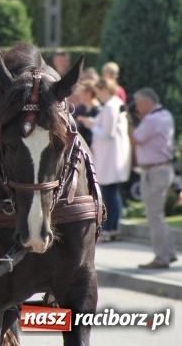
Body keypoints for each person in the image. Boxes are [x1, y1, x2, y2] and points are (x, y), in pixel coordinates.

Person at [77, 78, 131, 243]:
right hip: (111, 156)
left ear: (105, 89)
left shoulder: (110, 107)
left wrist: (91, 125)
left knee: (109, 194)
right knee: (113, 194)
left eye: (98, 91)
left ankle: (110, 229)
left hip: (110, 157)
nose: (97, 95)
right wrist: (93, 123)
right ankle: (113, 228)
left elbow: (108, 133)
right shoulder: (114, 104)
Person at [131, 87, 178, 269]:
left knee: (154, 216)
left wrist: (129, 122)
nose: (136, 107)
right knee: (158, 215)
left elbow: (136, 138)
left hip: (154, 171)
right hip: (162, 169)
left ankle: (161, 258)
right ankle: (168, 253)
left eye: (138, 104)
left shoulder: (151, 119)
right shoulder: (165, 114)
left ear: (145, 103)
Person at [73, 79, 100, 147]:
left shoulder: (98, 111)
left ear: (88, 94)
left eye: (81, 92)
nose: (79, 96)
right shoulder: (83, 109)